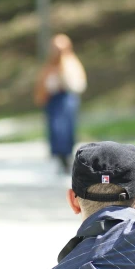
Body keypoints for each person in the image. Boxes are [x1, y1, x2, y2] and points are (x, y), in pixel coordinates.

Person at [34, 34, 87, 173]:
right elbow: (42, 84)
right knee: (55, 129)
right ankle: (59, 157)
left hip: (67, 99)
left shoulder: (71, 63)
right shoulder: (49, 65)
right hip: (53, 101)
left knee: (67, 129)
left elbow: (78, 84)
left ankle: (67, 157)